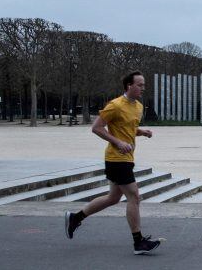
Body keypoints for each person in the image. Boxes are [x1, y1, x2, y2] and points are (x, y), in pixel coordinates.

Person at [65, 71, 161, 255]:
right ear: (129, 86)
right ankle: (138, 242)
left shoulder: (139, 106)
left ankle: (75, 218)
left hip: (127, 158)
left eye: (143, 85)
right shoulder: (115, 105)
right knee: (134, 196)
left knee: (113, 198)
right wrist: (117, 142)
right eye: (140, 85)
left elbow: (128, 128)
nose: (143, 88)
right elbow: (96, 128)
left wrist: (142, 132)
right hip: (116, 159)